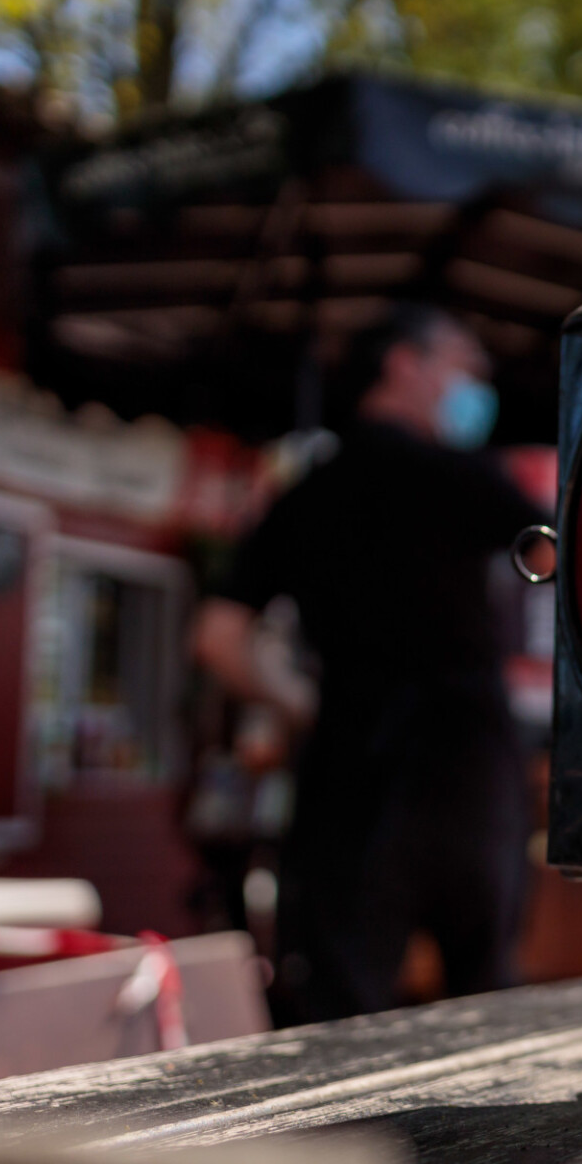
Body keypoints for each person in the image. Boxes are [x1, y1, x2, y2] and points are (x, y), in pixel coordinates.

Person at [193, 303, 548, 1023]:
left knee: (338, 1021)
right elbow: (552, 556)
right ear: (403, 365)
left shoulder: (305, 495)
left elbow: (217, 637)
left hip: (351, 775)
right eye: (462, 363)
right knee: (484, 1015)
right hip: (470, 771)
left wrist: (300, 706)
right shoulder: (469, 478)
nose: (475, 383)